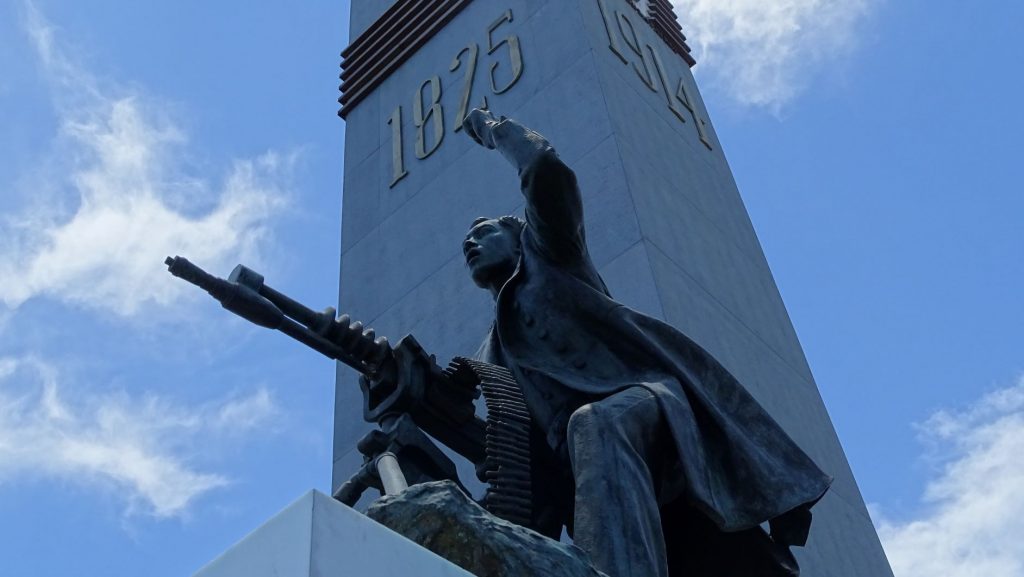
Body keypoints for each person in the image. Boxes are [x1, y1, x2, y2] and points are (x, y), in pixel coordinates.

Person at [460, 108, 832, 577]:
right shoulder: (489, 353)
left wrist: (495, 131)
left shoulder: (550, 257)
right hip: (592, 473)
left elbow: (545, 168)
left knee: (593, 422)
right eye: (466, 243)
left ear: (519, 239)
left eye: (483, 233)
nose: (470, 245)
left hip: (645, 406)